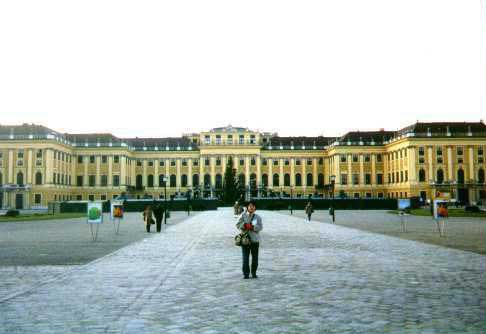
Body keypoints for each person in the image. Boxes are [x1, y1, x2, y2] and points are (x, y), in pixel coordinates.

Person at [236, 200, 263, 279]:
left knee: (255, 258)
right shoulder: (243, 215)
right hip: (245, 240)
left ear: (255, 208)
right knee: (245, 258)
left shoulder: (258, 217)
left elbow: (260, 227)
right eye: (250, 206)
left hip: (255, 240)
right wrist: (244, 225)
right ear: (247, 207)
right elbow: (237, 224)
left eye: (253, 206)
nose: (251, 207)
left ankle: (254, 272)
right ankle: (246, 273)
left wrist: (253, 227)